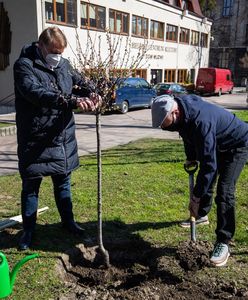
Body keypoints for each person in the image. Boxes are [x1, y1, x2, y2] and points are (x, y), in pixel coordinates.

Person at [13, 26, 101, 250]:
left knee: (63, 182)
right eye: (53, 51)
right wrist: (69, 101)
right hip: (35, 138)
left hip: (61, 137)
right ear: (40, 46)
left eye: (61, 52)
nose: (57, 56)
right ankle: (28, 230)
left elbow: (79, 82)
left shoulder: (64, 65)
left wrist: (91, 92)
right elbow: (34, 93)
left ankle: (68, 222)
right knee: (31, 186)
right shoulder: (25, 66)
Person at [151, 94, 248, 267]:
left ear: (175, 112)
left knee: (224, 192)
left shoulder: (200, 121)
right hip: (218, 141)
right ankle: (202, 214)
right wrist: (191, 157)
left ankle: (223, 242)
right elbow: (186, 133)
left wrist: (195, 197)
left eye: (166, 123)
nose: (165, 128)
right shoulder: (183, 114)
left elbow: (208, 166)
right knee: (207, 183)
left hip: (237, 144)